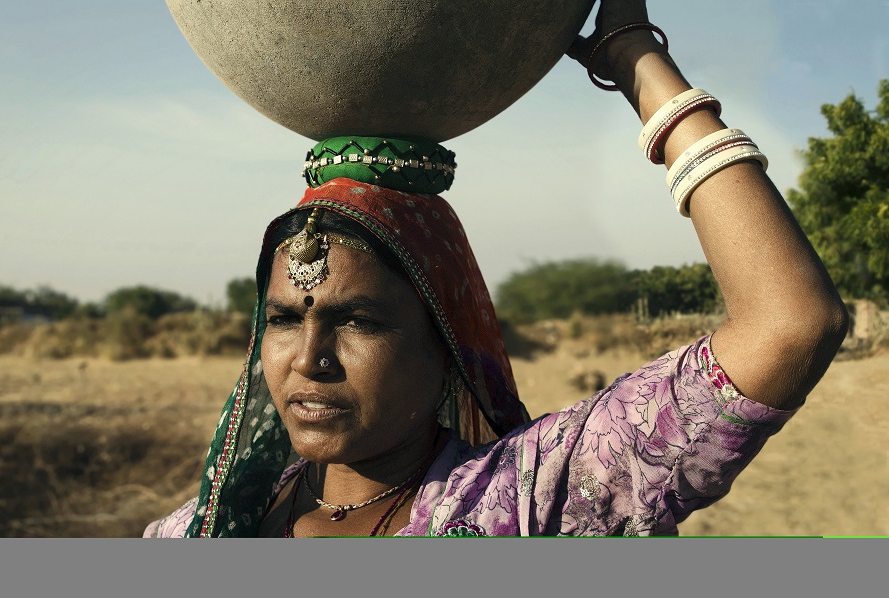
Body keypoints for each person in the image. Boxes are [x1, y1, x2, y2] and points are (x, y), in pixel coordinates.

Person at [143, 0, 848, 538]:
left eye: (356, 320)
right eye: (284, 319)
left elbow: (791, 323)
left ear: (447, 339)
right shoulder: (205, 531)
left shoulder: (535, 496)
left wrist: (632, 55)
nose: (308, 360)